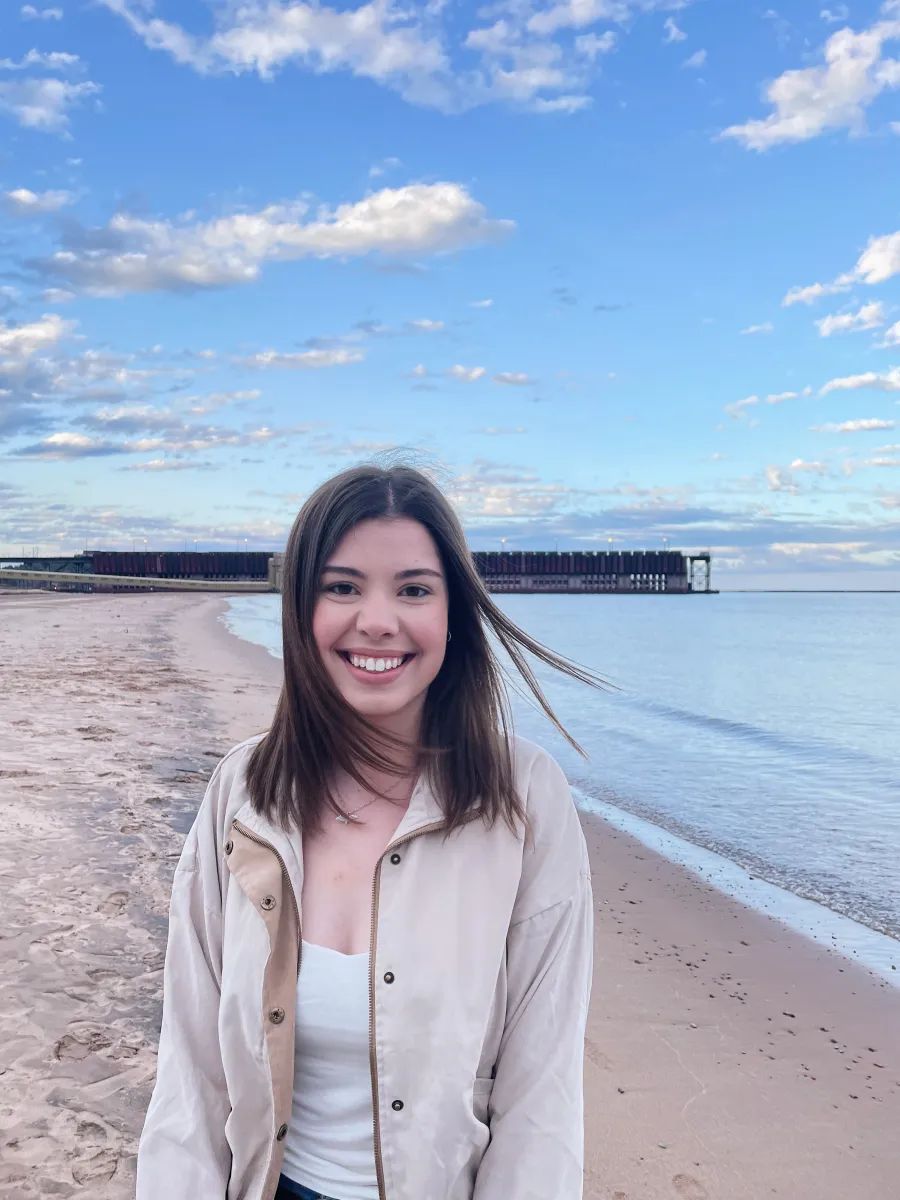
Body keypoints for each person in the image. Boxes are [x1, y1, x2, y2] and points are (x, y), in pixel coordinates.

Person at [136, 462, 602, 1200]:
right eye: (342, 586)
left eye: (413, 589)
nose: (378, 620)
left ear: (453, 614)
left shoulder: (524, 801)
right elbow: (190, 1073)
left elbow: (541, 1098)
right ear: (301, 608)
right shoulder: (244, 792)